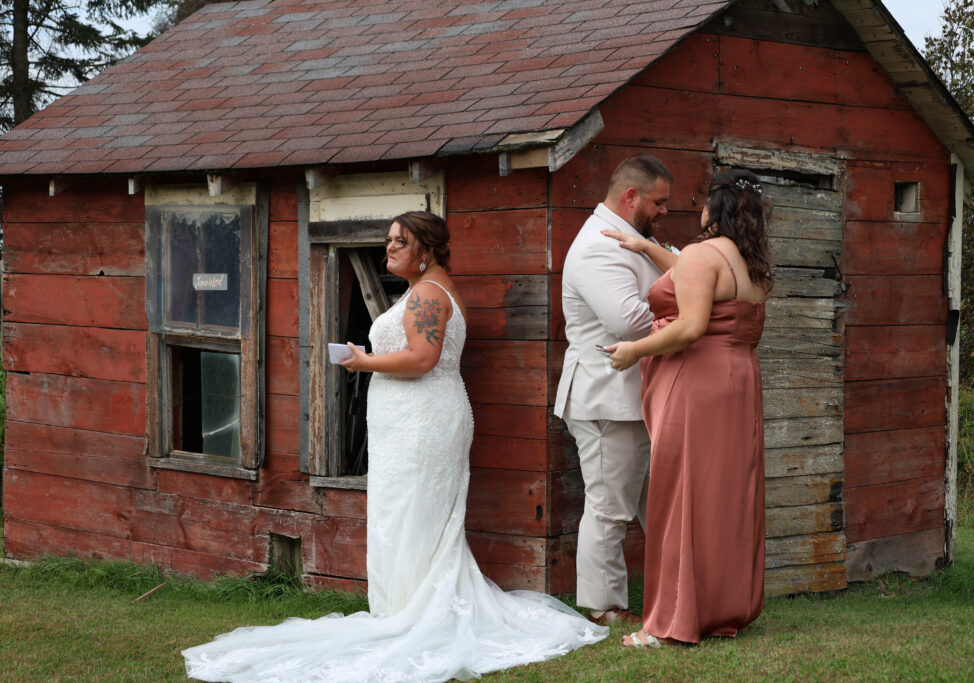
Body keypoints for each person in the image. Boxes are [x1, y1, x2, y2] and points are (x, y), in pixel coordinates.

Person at [182, 211, 606, 682]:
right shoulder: (424, 290)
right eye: (388, 242)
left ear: (425, 249)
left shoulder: (428, 294)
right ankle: (404, 607)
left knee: (415, 515)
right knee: (403, 514)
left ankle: (417, 613)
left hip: (423, 423)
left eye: (398, 242)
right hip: (409, 422)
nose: (388, 250)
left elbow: (423, 359)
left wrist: (363, 361)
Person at [603, 168, 772, 648]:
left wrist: (635, 350)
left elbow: (693, 324)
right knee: (723, 496)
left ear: (711, 210)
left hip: (698, 381)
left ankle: (670, 620)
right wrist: (646, 249)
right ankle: (722, 606)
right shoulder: (748, 262)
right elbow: (698, 281)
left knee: (682, 493)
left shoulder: (701, 254)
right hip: (738, 382)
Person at [555, 153, 673, 626]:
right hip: (605, 398)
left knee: (653, 505)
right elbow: (628, 321)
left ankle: (672, 596)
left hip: (632, 399)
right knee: (608, 507)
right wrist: (687, 319)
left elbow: (680, 270)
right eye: (659, 202)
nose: (664, 212)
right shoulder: (596, 248)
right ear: (631, 197)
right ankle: (604, 608)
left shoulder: (631, 240)